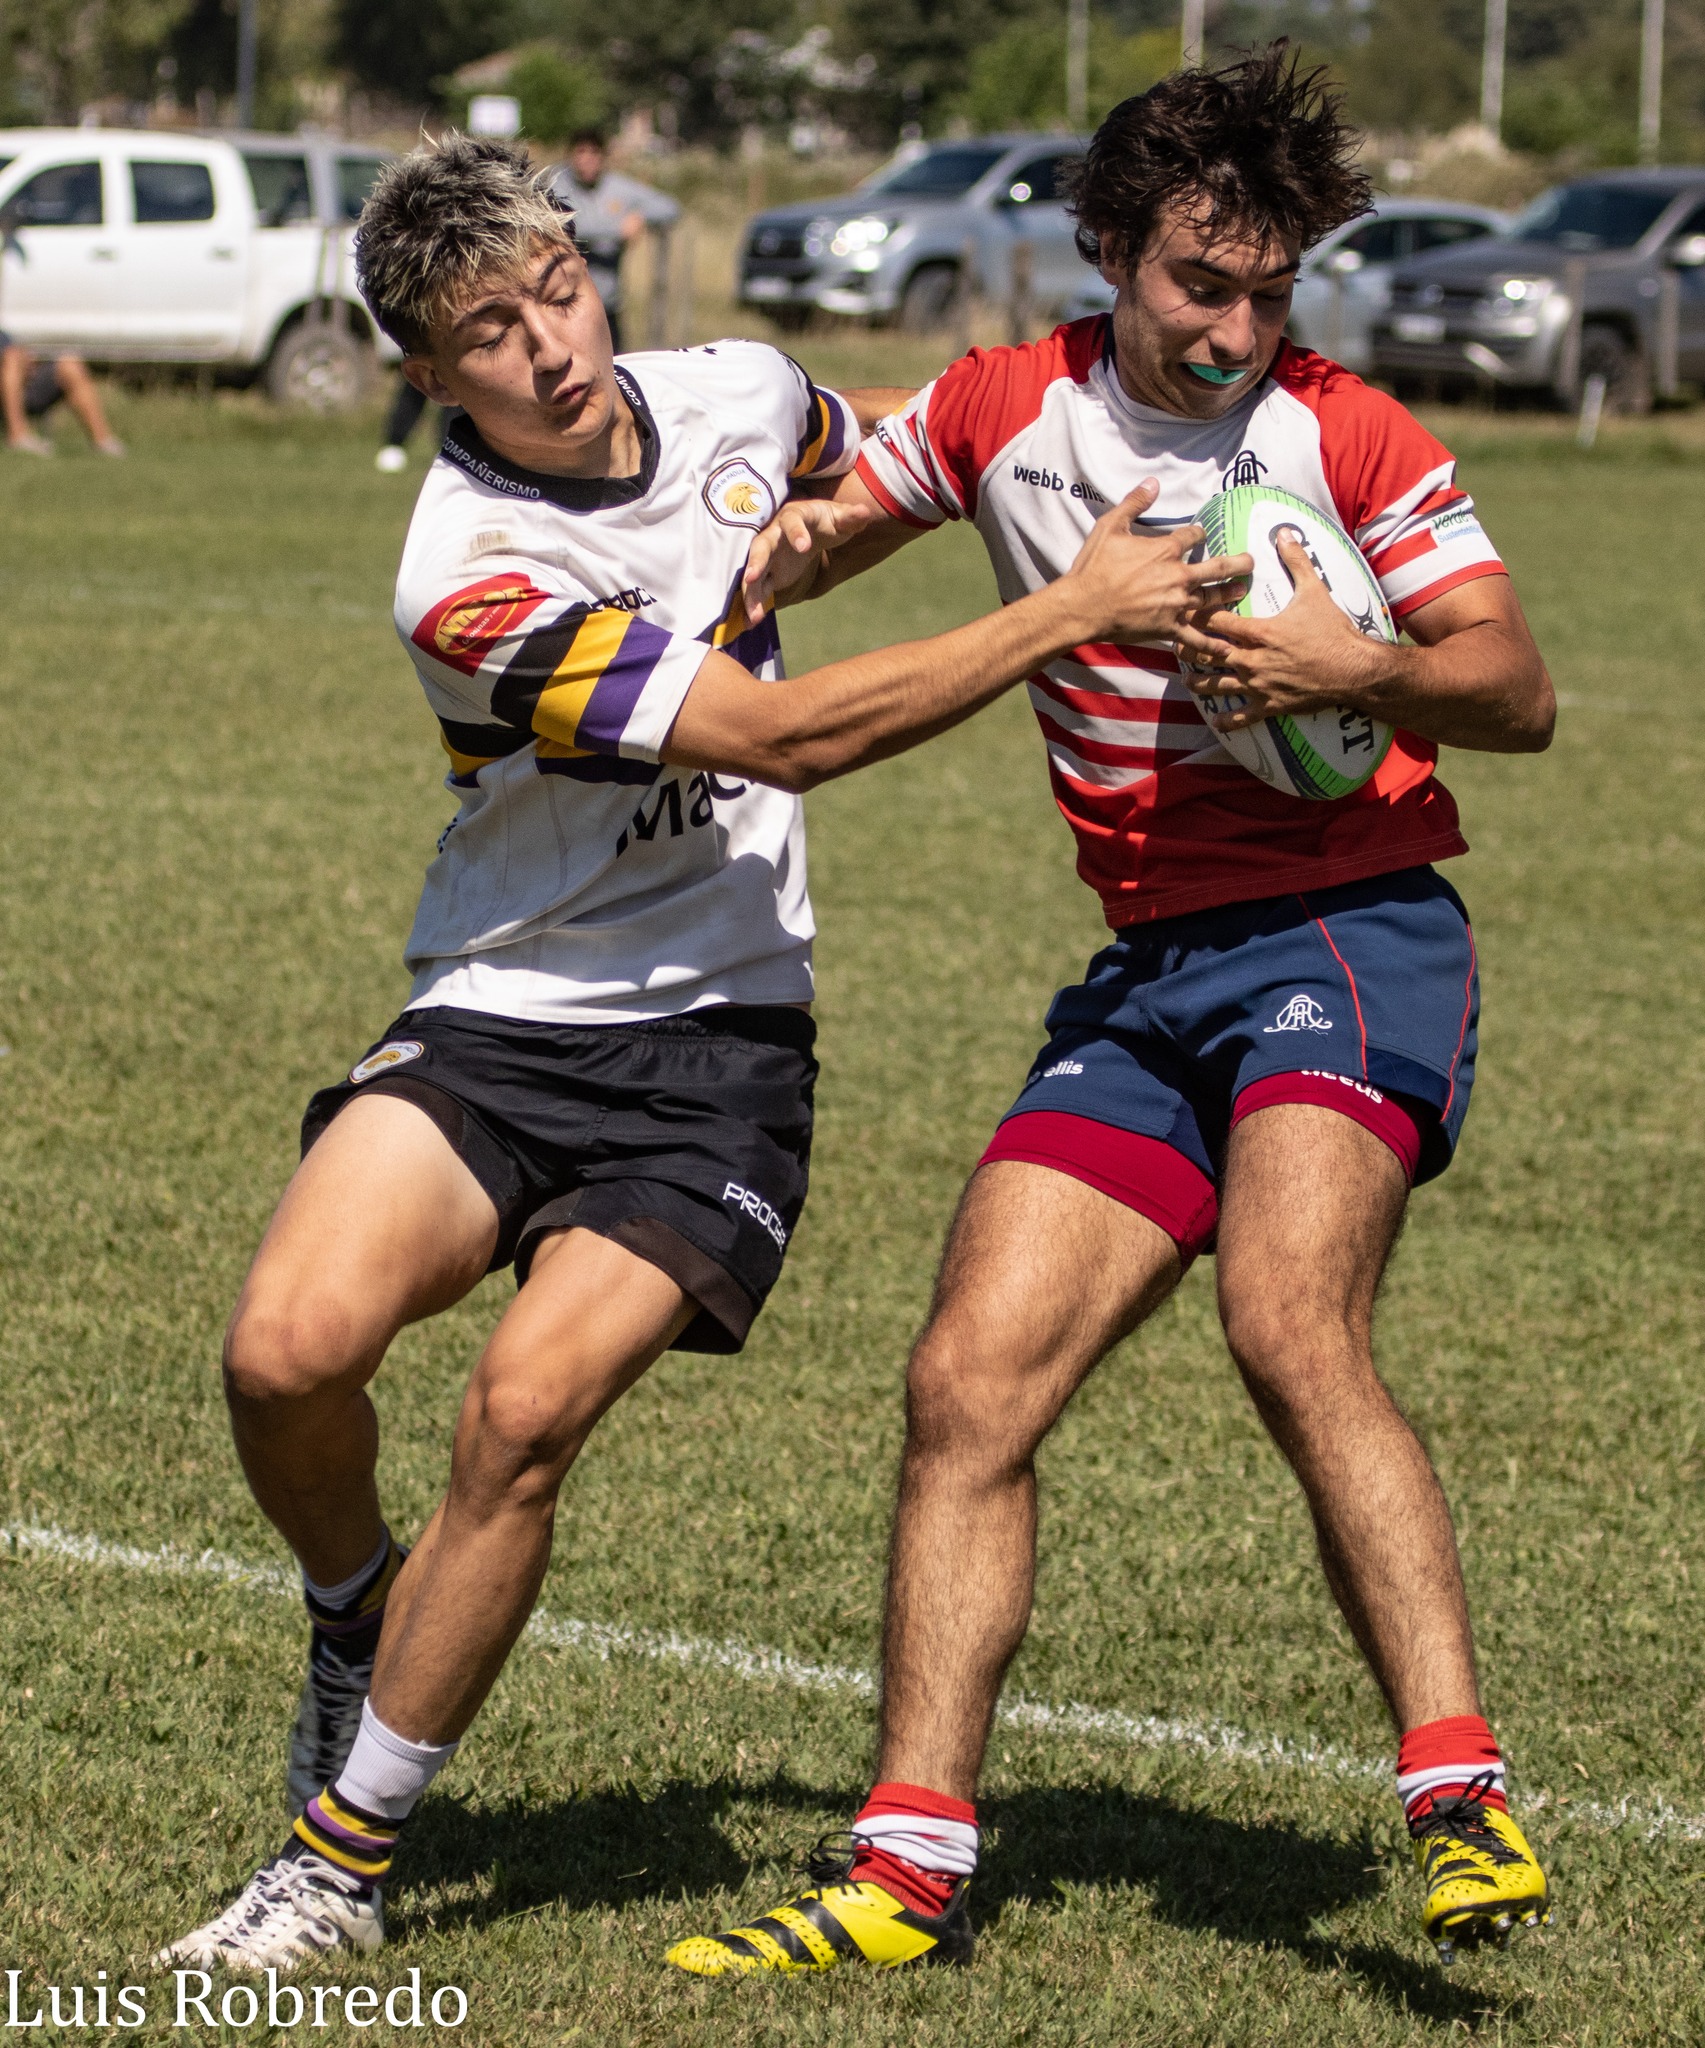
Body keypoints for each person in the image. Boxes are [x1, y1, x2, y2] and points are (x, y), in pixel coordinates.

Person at [155, 132, 1245, 1971]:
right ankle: (359, 1608)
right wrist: (1064, 608)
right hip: (501, 1008)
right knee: (283, 1353)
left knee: (518, 1413)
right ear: (427, 371)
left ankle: (333, 1869)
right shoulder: (467, 573)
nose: (552, 347)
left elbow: (916, 436)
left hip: (718, 1046)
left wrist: (1111, 395)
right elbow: (786, 738)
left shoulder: (732, 384)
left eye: (560, 289)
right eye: (489, 331)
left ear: (594, 265)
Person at [673, 48, 1557, 1979]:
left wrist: (1364, 660)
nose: (1239, 328)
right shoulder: (1007, 405)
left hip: (1350, 928)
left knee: (1285, 1310)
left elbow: (1518, 684)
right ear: (1107, 254)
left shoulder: (1356, 434)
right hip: (1152, 965)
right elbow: (848, 509)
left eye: (1271, 291)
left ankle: (1457, 1787)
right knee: (965, 1384)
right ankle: (904, 1870)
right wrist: (752, 551)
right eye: (1199, 286)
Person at [545, 127, 679, 350]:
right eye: (581, 152)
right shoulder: (556, 185)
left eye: (594, 152)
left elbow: (669, 208)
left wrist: (640, 217)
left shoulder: (617, 187)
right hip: (564, 306)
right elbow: (569, 222)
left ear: (604, 156)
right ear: (571, 155)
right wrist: (618, 229)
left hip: (608, 305)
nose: (587, 159)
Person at [1, 334, 124, 457]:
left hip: (21, 386)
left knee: (69, 364)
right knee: (12, 357)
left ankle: (103, 442)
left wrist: (26, 362)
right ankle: (18, 436)